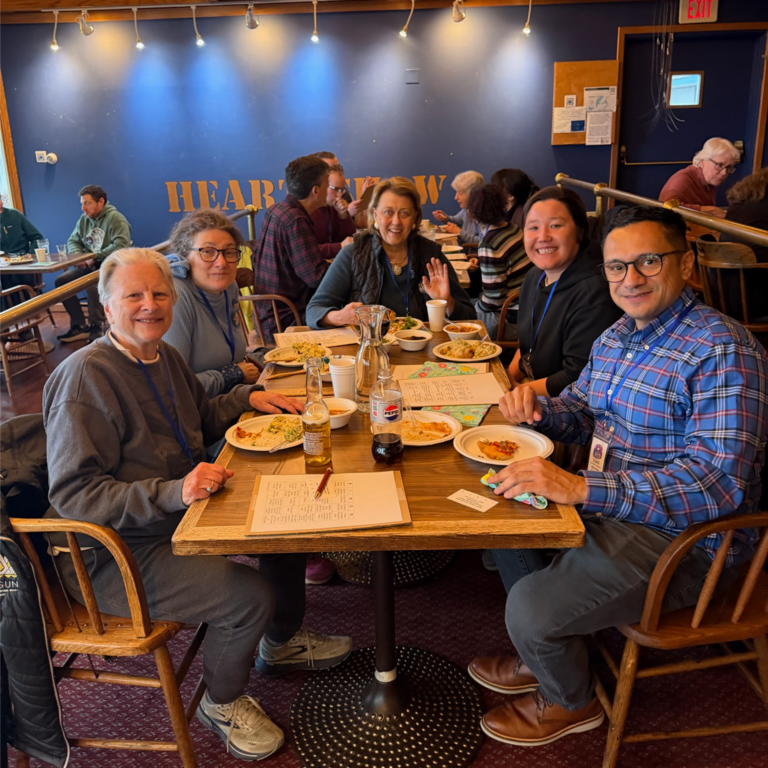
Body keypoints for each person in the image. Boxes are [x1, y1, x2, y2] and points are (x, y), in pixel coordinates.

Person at [469, 206, 768, 749]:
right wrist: (539, 412)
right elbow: (582, 410)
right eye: (616, 267)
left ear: (687, 263)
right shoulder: (618, 337)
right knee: (493, 513)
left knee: (528, 607)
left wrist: (581, 487)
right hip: (612, 502)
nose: (630, 280)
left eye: (648, 262)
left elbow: (715, 484)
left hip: (686, 540)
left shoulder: (723, 350)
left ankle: (571, 700)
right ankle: (546, 647)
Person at [43, 248, 353, 762]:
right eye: (134, 295)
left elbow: (199, 418)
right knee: (247, 597)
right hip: (113, 553)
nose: (150, 305)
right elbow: (75, 495)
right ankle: (220, 701)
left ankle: (279, 643)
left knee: (285, 527)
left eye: (159, 293)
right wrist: (174, 490)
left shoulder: (162, 356)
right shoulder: (86, 378)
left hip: (176, 520)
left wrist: (246, 400)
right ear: (106, 306)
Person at [305, 177, 476, 329]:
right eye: (388, 212)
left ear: (415, 218)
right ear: (375, 215)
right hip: (369, 355)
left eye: (404, 213)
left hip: (423, 357)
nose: (396, 222)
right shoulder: (354, 253)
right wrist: (341, 316)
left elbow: (470, 317)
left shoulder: (431, 255)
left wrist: (448, 303)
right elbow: (313, 311)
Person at [507, 186, 623, 396]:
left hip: (566, 408)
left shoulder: (594, 292)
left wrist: (516, 393)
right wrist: (506, 379)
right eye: (533, 227)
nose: (542, 236)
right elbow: (527, 349)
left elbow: (576, 377)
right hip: (531, 389)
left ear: (579, 229)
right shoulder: (536, 275)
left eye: (555, 225)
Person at [161, 209, 258, 397]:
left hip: (233, 398)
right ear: (185, 258)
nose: (221, 262)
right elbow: (174, 387)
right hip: (199, 416)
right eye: (207, 251)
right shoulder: (177, 296)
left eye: (229, 252)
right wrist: (233, 374)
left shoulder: (229, 287)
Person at [252, 156, 330, 342]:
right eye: (327, 184)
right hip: (286, 319)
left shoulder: (276, 210)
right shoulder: (296, 220)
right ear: (316, 190)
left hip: (265, 315)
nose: (329, 189)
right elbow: (315, 277)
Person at [55, 185, 131, 344]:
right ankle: (79, 325)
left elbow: (121, 245)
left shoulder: (115, 218)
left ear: (101, 201)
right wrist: (80, 258)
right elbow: (73, 240)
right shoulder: (83, 220)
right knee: (61, 282)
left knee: (92, 284)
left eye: (87, 203)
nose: (83, 208)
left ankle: (97, 326)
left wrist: (94, 258)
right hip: (87, 266)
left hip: (110, 266)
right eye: (82, 203)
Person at [465, 183, 529, 340]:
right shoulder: (512, 228)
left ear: (472, 212)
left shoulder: (489, 243)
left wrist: (471, 308)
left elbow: (494, 300)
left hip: (511, 314)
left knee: (461, 314)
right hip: (527, 304)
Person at [659, 137, 740, 216]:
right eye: (719, 165)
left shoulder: (708, 180)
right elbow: (667, 208)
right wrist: (712, 210)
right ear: (702, 161)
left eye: (729, 167)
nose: (724, 173)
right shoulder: (683, 179)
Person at [0, 193, 44, 317]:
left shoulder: (14, 215)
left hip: (22, 262)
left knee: (14, 281)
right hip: (2, 265)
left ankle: (21, 323)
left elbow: (37, 237)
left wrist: (30, 255)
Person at [311, 164, 356, 259]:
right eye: (335, 189)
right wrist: (339, 247)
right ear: (323, 186)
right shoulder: (309, 211)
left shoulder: (333, 207)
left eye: (342, 190)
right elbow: (308, 251)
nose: (339, 195)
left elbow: (348, 239)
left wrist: (343, 216)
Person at [433, 171, 485, 245]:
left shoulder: (484, 214)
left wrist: (459, 232)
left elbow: (483, 241)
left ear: (472, 194)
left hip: (473, 255)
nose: (456, 197)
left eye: (459, 193)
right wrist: (446, 218)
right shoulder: (467, 210)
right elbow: (457, 221)